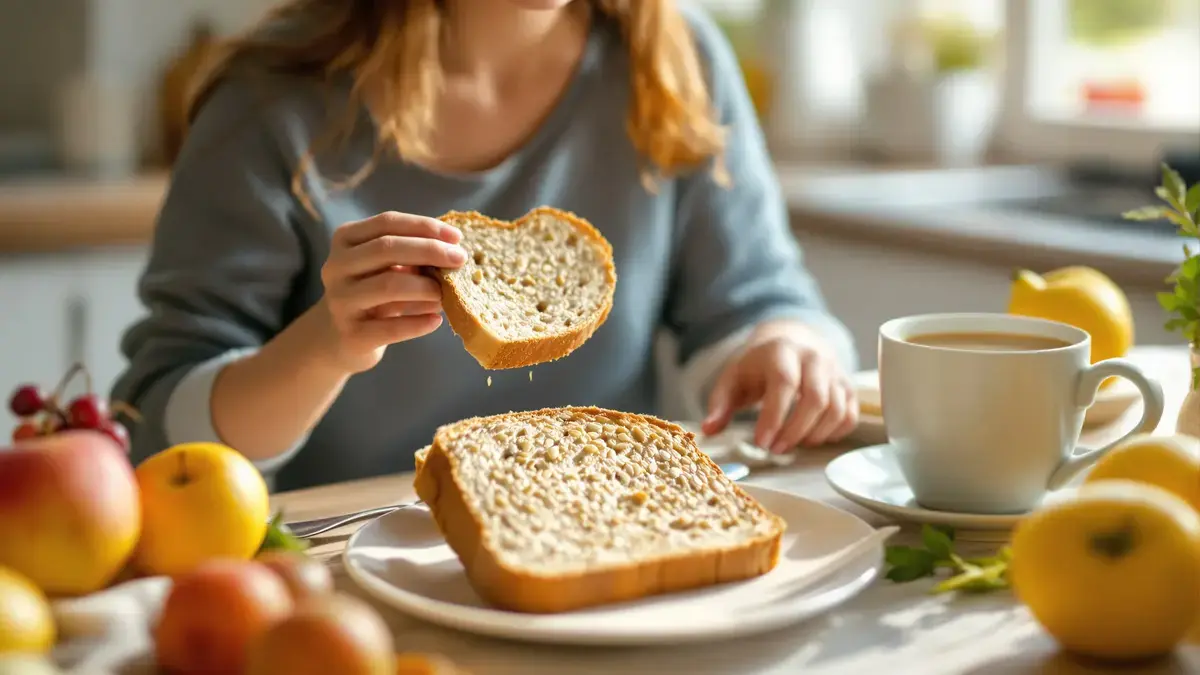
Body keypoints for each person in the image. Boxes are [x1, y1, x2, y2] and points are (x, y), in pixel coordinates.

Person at [113, 0, 859, 492]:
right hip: (347, 583)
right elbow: (161, 432)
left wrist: (785, 344)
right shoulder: (270, 98)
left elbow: (754, 303)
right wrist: (324, 347)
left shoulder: (673, 61)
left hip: (603, 545)